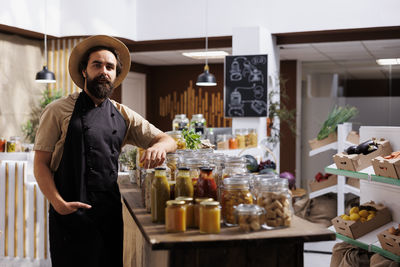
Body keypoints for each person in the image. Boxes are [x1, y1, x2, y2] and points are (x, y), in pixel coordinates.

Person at [33, 35, 177, 267]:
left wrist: (159, 146)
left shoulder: (123, 114)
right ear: (84, 71)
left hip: (108, 214)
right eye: (97, 65)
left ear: (115, 74)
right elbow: (40, 163)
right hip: (69, 215)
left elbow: (167, 139)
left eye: (109, 67)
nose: (104, 71)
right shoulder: (57, 111)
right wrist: (58, 203)